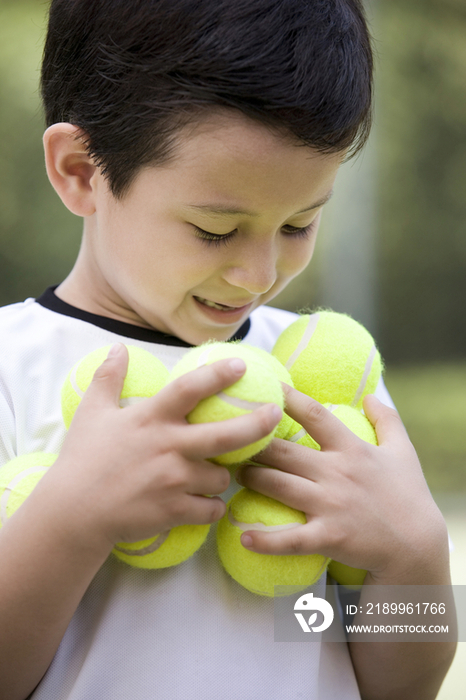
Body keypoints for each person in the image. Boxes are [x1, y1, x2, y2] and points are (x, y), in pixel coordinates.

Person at [0, 1, 455, 698]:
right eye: (215, 230)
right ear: (81, 172)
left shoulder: (321, 385)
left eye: (301, 222)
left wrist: (413, 557)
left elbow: (388, 679)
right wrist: (70, 519)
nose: (260, 274)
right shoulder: (12, 366)